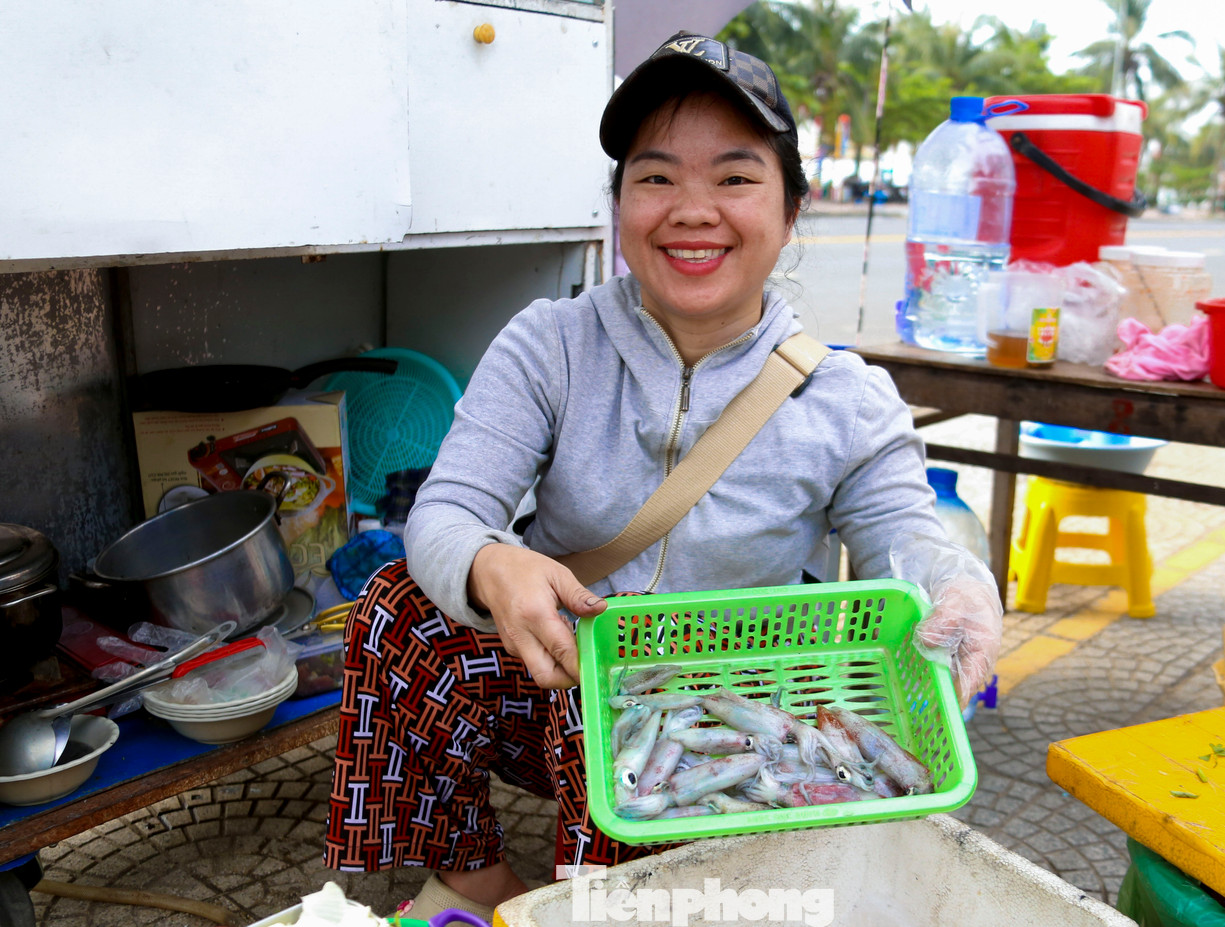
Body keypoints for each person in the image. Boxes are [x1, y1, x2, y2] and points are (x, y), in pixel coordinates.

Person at [322, 32, 1001, 922]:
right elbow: (449, 509)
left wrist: (960, 583)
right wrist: (495, 564)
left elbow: (907, 535)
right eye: (655, 178)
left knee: (643, 842)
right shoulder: (548, 343)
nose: (692, 210)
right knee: (398, 606)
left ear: (790, 209)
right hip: (560, 674)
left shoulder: (847, 397)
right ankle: (476, 880)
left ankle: (621, 893)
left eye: (734, 177)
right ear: (618, 204)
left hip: (729, 710)